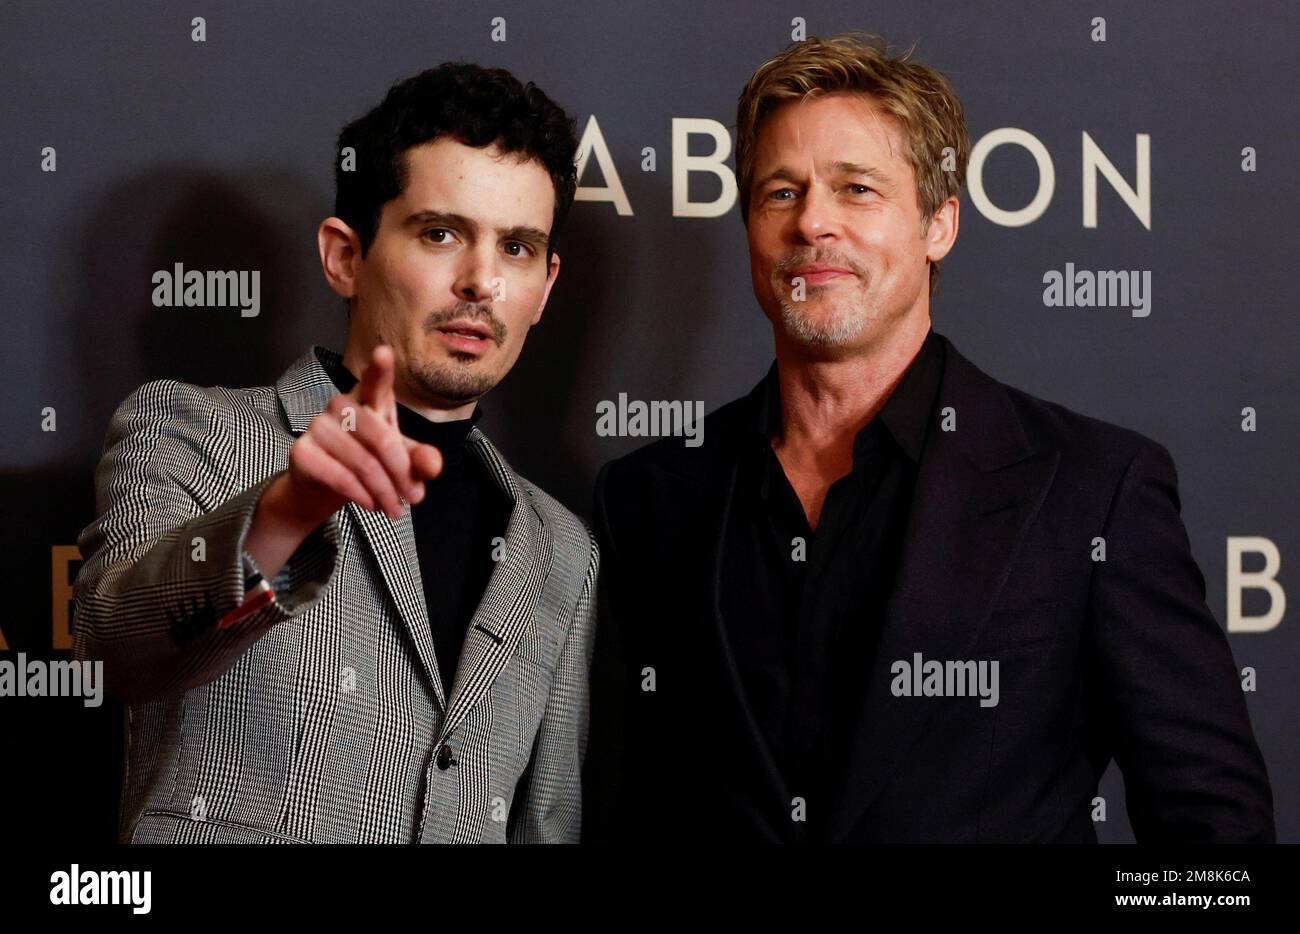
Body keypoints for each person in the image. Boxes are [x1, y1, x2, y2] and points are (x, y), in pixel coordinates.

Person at [590, 34, 1273, 843]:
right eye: (781, 192)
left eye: (858, 189)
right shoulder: (650, 495)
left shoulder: (1095, 489)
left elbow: (1217, 838)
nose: (813, 221)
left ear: (938, 224)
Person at [73, 63, 598, 844]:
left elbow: (546, 824)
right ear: (345, 256)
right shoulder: (189, 430)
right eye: (441, 233)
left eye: (517, 248)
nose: (481, 280)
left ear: (546, 285)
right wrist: (286, 515)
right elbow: (117, 644)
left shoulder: (561, 550)